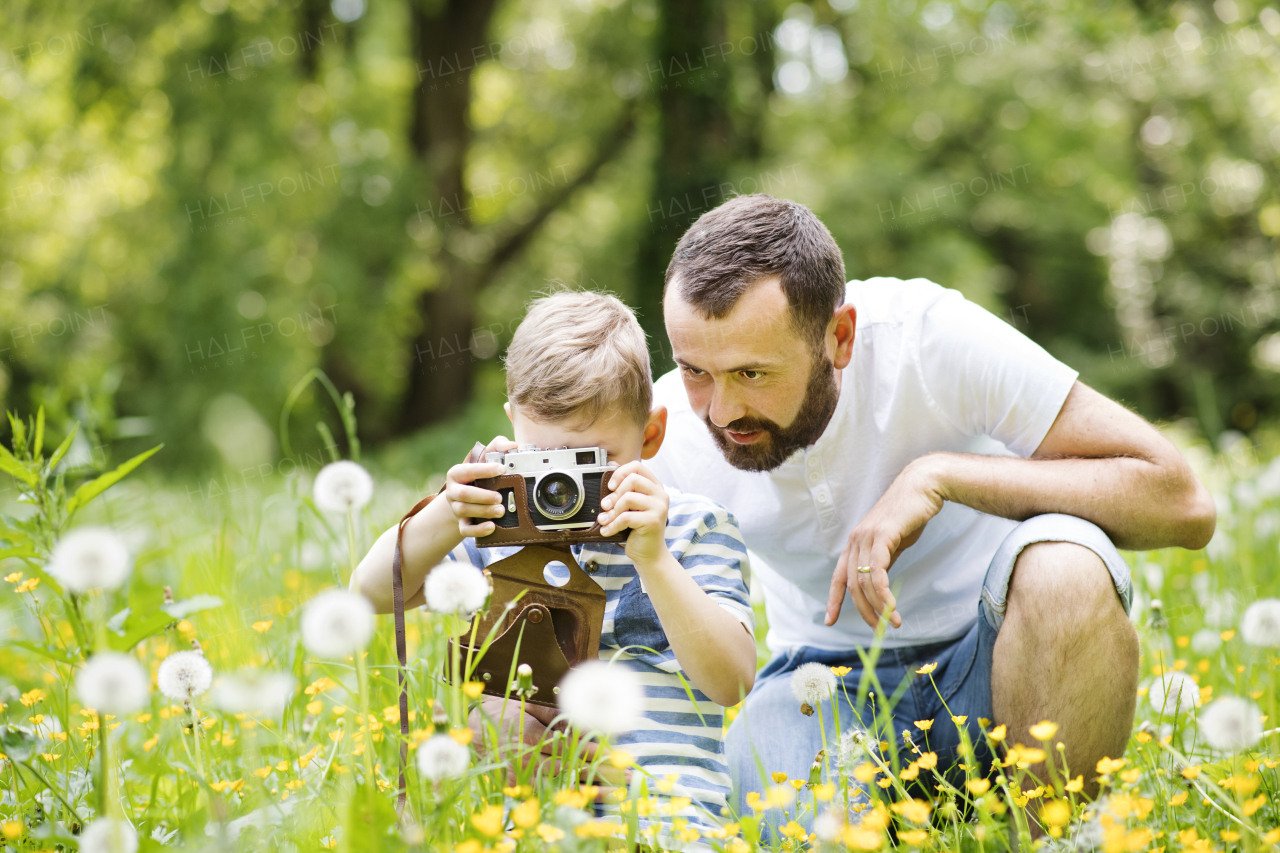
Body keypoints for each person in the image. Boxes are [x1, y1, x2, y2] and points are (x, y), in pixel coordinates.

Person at [644, 194, 1216, 824]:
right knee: (784, 818)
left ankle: (1050, 835)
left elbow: (1181, 503)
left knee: (1067, 567)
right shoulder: (665, 429)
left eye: (753, 374)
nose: (719, 412)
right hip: (818, 686)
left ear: (839, 337)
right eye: (695, 369)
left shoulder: (927, 338)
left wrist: (942, 476)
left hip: (999, 662)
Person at [351, 291, 757, 846]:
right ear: (511, 430)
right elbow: (373, 594)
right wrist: (450, 509)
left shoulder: (693, 528)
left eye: (592, 464)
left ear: (651, 435)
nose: (562, 491)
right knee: (490, 721)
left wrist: (655, 559)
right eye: (541, 462)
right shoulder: (499, 528)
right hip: (534, 825)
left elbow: (731, 682)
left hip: (667, 825)